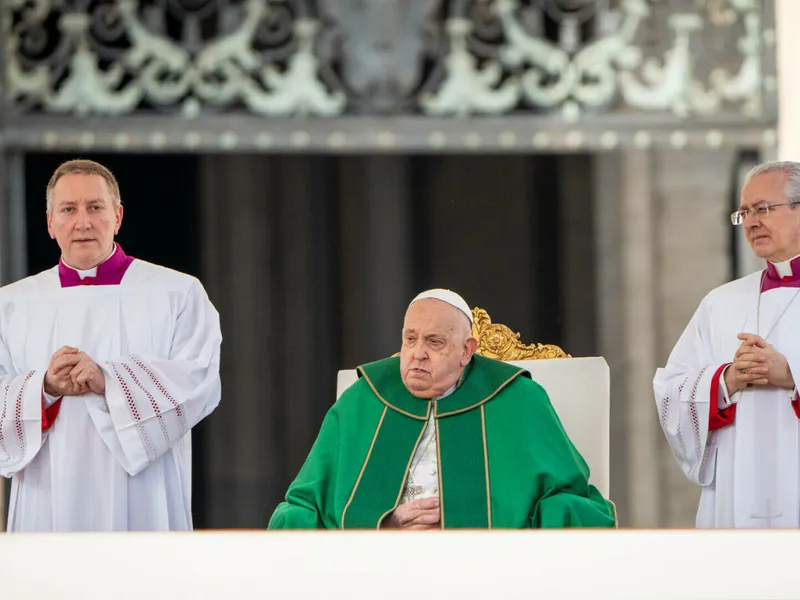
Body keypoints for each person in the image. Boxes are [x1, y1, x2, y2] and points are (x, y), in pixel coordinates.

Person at [269, 288, 615, 529]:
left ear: (467, 351)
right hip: (381, 566)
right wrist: (381, 525)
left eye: (434, 342)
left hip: (489, 571)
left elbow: (570, 500)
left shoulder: (518, 399)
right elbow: (305, 503)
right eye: (409, 338)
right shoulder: (364, 399)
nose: (418, 353)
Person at [0, 159, 222, 531]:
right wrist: (45, 388)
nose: (82, 222)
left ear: (117, 216)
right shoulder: (10, 305)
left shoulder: (177, 293)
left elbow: (199, 380)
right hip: (47, 490)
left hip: (143, 491)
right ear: (50, 222)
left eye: (95, 207)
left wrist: (109, 380)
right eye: (68, 209)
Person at [655, 160, 800, 528]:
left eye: (763, 209)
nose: (751, 222)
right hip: (737, 491)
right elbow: (670, 391)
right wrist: (724, 381)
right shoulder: (721, 303)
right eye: (744, 212)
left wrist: (791, 375)